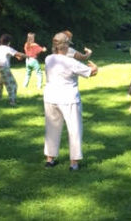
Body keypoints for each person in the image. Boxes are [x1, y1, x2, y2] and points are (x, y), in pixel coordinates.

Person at [43, 32, 97, 171]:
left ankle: (50, 160)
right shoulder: (71, 62)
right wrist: (95, 68)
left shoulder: (48, 59)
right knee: (74, 130)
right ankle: (74, 163)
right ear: (66, 45)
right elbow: (91, 72)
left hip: (50, 97)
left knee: (51, 128)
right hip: (68, 99)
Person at [0, 34, 25, 106]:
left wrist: (18, 57)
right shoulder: (8, 48)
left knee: (0, 85)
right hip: (4, 68)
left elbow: (15, 55)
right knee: (13, 85)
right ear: (9, 42)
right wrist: (27, 56)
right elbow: (19, 54)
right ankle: (12, 102)